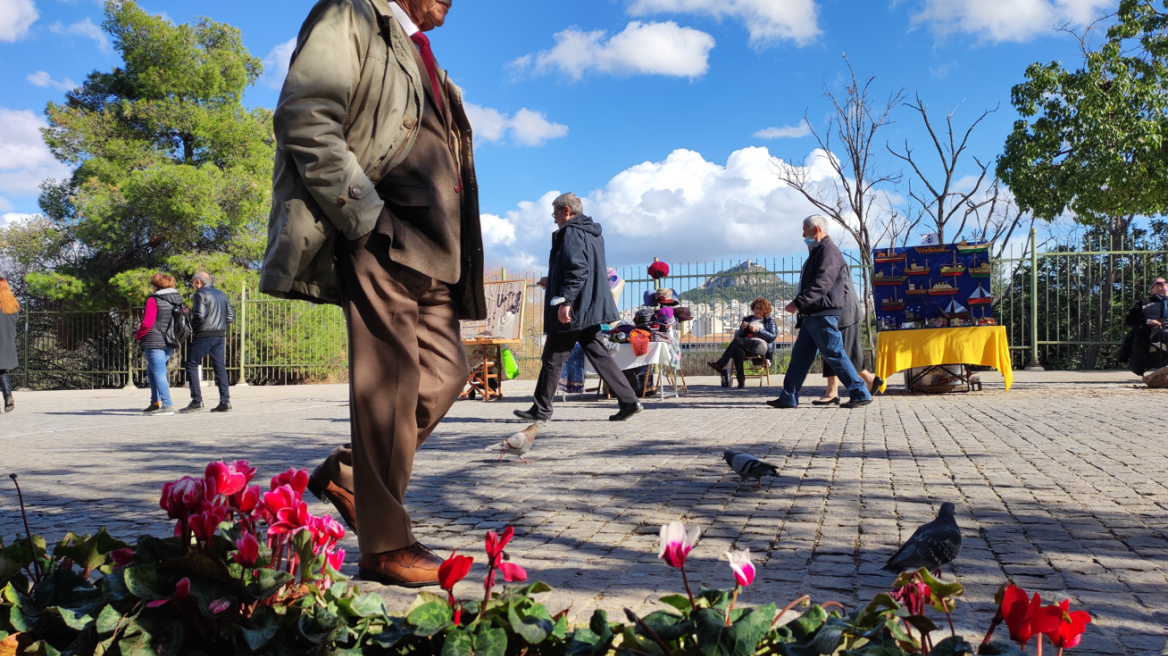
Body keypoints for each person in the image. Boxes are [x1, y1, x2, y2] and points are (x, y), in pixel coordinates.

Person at [261, 0, 486, 588]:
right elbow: (306, 114)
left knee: (446, 373)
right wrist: (365, 216)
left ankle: (350, 476)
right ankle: (385, 547)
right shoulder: (353, 14)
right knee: (389, 382)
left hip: (435, 249)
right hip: (382, 231)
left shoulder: (427, 60)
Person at [514, 192, 643, 423]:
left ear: (566, 211)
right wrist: (552, 278)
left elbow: (578, 269)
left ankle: (541, 410)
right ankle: (629, 401)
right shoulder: (592, 233)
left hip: (576, 309)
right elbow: (583, 269)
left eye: (555, 213)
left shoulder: (571, 232)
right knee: (599, 355)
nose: (554, 219)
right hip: (590, 307)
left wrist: (566, 301)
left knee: (553, 357)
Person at [767, 215, 873, 409]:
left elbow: (823, 282)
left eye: (805, 230)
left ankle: (860, 392)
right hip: (813, 315)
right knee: (800, 357)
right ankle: (788, 396)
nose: (802, 234)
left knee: (835, 354)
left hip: (823, 313)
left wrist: (798, 302)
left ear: (815, 230)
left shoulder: (828, 251)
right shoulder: (819, 250)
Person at [814, 269, 882, 405]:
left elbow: (834, 285)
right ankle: (869, 379)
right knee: (847, 352)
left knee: (833, 349)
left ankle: (832, 391)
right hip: (846, 311)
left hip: (843, 312)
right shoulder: (829, 255)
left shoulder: (829, 255)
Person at [180, 272, 235, 413]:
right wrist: (219, 326)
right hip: (220, 334)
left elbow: (199, 315)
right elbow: (231, 316)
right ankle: (225, 401)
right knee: (220, 368)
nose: (192, 285)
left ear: (198, 282)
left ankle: (197, 400)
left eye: (192, 282)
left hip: (204, 334)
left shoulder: (200, 294)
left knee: (191, 363)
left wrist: (192, 327)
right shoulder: (221, 294)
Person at [134, 274, 183, 416]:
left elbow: (147, 322)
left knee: (159, 372)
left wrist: (138, 335)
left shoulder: (153, 299)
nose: (151, 286)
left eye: (152, 284)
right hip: (170, 340)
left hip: (154, 339)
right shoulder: (178, 299)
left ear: (157, 285)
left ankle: (167, 404)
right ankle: (155, 402)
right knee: (152, 370)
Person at [708, 298, 777, 389]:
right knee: (738, 351)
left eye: (760, 308)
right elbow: (737, 336)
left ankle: (720, 364)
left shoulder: (769, 321)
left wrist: (758, 330)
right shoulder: (748, 319)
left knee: (737, 342)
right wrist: (741, 329)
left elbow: (772, 337)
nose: (757, 310)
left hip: (760, 345)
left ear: (765, 310)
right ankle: (741, 381)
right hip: (747, 344)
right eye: (756, 308)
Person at [1119, 277, 1168, 376]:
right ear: (1152, 290)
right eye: (1159, 283)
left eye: (1166, 282)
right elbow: (1130, 320)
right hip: (1155, 331)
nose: (1163, 284)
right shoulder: (1145, 302)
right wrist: (1148, 321)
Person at [0, 275, 19, 413]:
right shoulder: (14, 306)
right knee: (2, 370)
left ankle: (8, 397)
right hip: (7, 342)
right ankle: (8, 397)